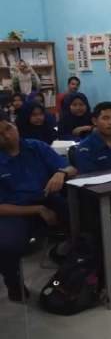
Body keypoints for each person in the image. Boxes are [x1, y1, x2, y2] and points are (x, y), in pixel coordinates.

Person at [0, 115, 76, 301]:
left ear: (15, 126)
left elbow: (71, 168)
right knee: (7, 246)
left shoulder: (36, 147)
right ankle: (14, 284)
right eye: (0, 134)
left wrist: (60, 173)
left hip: (47, 198)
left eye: (8, 128)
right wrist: (38, 210)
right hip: (16, 210)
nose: (7, 136)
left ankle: (79, 266)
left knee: (83, 216)